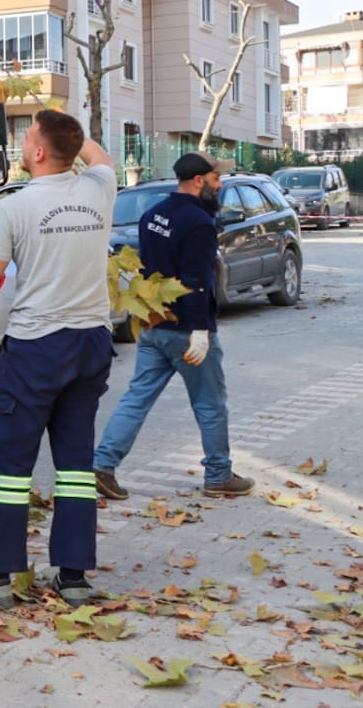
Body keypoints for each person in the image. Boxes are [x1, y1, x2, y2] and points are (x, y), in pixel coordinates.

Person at [0, 109, 117, 606]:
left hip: (38, 346)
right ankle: (73, 576)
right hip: (92, 342)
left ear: (37, 152)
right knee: (76, 462)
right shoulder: (101, 188)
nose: (21, 143)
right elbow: (97, 155)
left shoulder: (13, 208)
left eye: (28, 136)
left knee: (10, 462)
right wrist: (72, 137)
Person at [92, 152, 254, 500]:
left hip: (153, 325)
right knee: (210, 403)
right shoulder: (198, 222)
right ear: (199, 181)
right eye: (215, 179)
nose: (220, 184)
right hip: (186, 332)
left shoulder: (152, 215)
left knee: (136, 399)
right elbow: (196, 279)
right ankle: (218, 475)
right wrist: (200, 330)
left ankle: (102, 466)